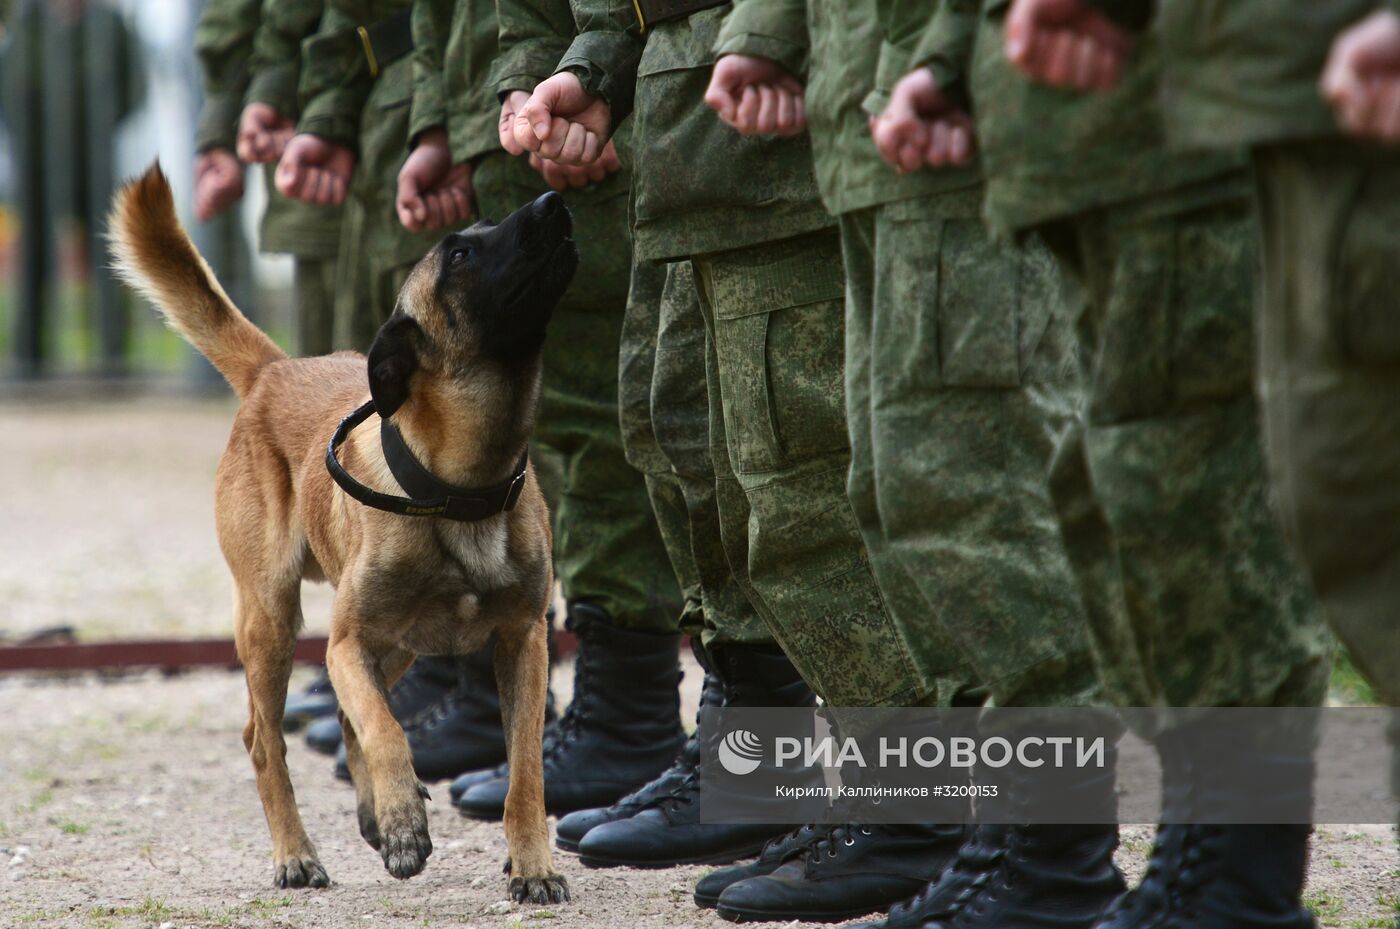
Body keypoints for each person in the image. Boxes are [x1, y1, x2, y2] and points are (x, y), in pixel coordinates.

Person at [873, 3, 1333, 927]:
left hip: (1180, 104)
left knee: (1192, 487)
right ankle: (1194, 865)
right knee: (1119, 487)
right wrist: (955, 60)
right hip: (1084, 126)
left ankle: (1230, 884)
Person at [507, 0, 976, 906]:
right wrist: (600, 63)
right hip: (695, 119)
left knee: (803, 487)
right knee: (693, 444)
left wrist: (762, 37)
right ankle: (769, 765)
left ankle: (920, 806)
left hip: (776, 108)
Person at [688, 1, 1121, 924]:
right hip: (867, 127)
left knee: (978, 492)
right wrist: (771, 37)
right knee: (892, 492)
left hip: (950, 118)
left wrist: (949, 57)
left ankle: (1059, 849)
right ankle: (997, 830)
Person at [1004, 0, 1400, 909]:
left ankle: (1220, 876)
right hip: (1226, 79)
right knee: (1144, 490)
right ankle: (1206, 870)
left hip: (1255, 94)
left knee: (1252, 498)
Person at [398, 0, 695, 818]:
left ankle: (1003, 825)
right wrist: (502, 99)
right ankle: (675, 735)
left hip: (692, 119)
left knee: (703, 449)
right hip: (612, 114)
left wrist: (595, 77)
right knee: (611, 430)